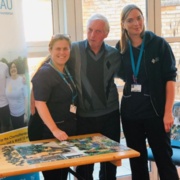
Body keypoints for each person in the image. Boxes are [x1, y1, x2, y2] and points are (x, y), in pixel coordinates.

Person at [115, 4, 179, 180]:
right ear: (123, 24)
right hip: (131, 115)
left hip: (156, 114)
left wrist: (168, 113)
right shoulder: (120, 49)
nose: (136, 23)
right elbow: (119, 74)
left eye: (139, 18)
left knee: (164, 160)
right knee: (137, 163)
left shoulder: (159, 44)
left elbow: (170, 80)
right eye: (130, 20)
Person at [68, 14, 121, 180]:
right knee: (84, 165)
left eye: (97, 31)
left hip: (110, 115)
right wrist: (35, 93)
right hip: (84, 117)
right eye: (90, 30)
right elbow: (51, 64)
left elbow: (131, 75)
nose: (92, 35)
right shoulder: (74, 49)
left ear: (106, 34)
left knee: (109, 163)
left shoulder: (114, 54)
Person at [28, 34, 77, 180]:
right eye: (58, 49)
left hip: (63, 130)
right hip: (46, 132)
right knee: (54, 177)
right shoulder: (45, 73)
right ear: (50, 50)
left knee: (62, 174)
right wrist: (55, 130)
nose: (62, 52)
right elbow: (40, 103)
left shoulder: (66, 70)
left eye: (65, 49)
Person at [5, 62, 28, 130]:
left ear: (17, 68)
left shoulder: (22, 80)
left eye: (14, 67)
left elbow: (26, 97)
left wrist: (26, 114)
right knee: (15, 134)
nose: (13, 69)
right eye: (11, 67)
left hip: (22, 114)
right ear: (9, 70)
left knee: (22, 135)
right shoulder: (7, 81)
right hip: (12, 114)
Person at [0, 61, 11, 133]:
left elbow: (10, 80)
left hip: (5, 103)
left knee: (7, 128)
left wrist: (21, 80)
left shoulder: (4, 66)